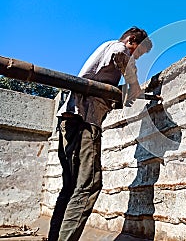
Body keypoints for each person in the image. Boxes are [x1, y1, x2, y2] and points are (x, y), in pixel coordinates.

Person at [48, 27, 153, 241]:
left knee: (70, 187)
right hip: (85, 119)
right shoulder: (116, 46)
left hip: (69, 118)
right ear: (132, 40)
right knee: (88, 186)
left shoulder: (104, 54)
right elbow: (121, 55)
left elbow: (106, 81)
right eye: (138, 52)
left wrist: (121, 94)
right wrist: (134, 85)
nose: (135, 57)